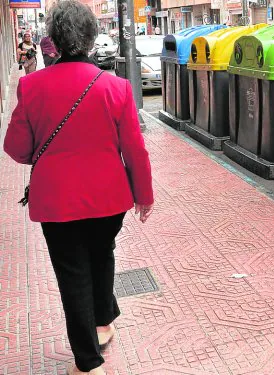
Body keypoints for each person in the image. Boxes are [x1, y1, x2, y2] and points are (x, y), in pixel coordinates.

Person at [3, 1, 154, 374]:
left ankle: (88, 362)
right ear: (90, 39)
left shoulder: (31, 86)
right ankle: (103, 322)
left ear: (53, 39)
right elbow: (135, 149)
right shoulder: (116, 87)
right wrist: (144, 196)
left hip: (56, 202)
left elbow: (16, 149)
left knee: (73, 274)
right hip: (110, 200)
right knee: (102, 254)